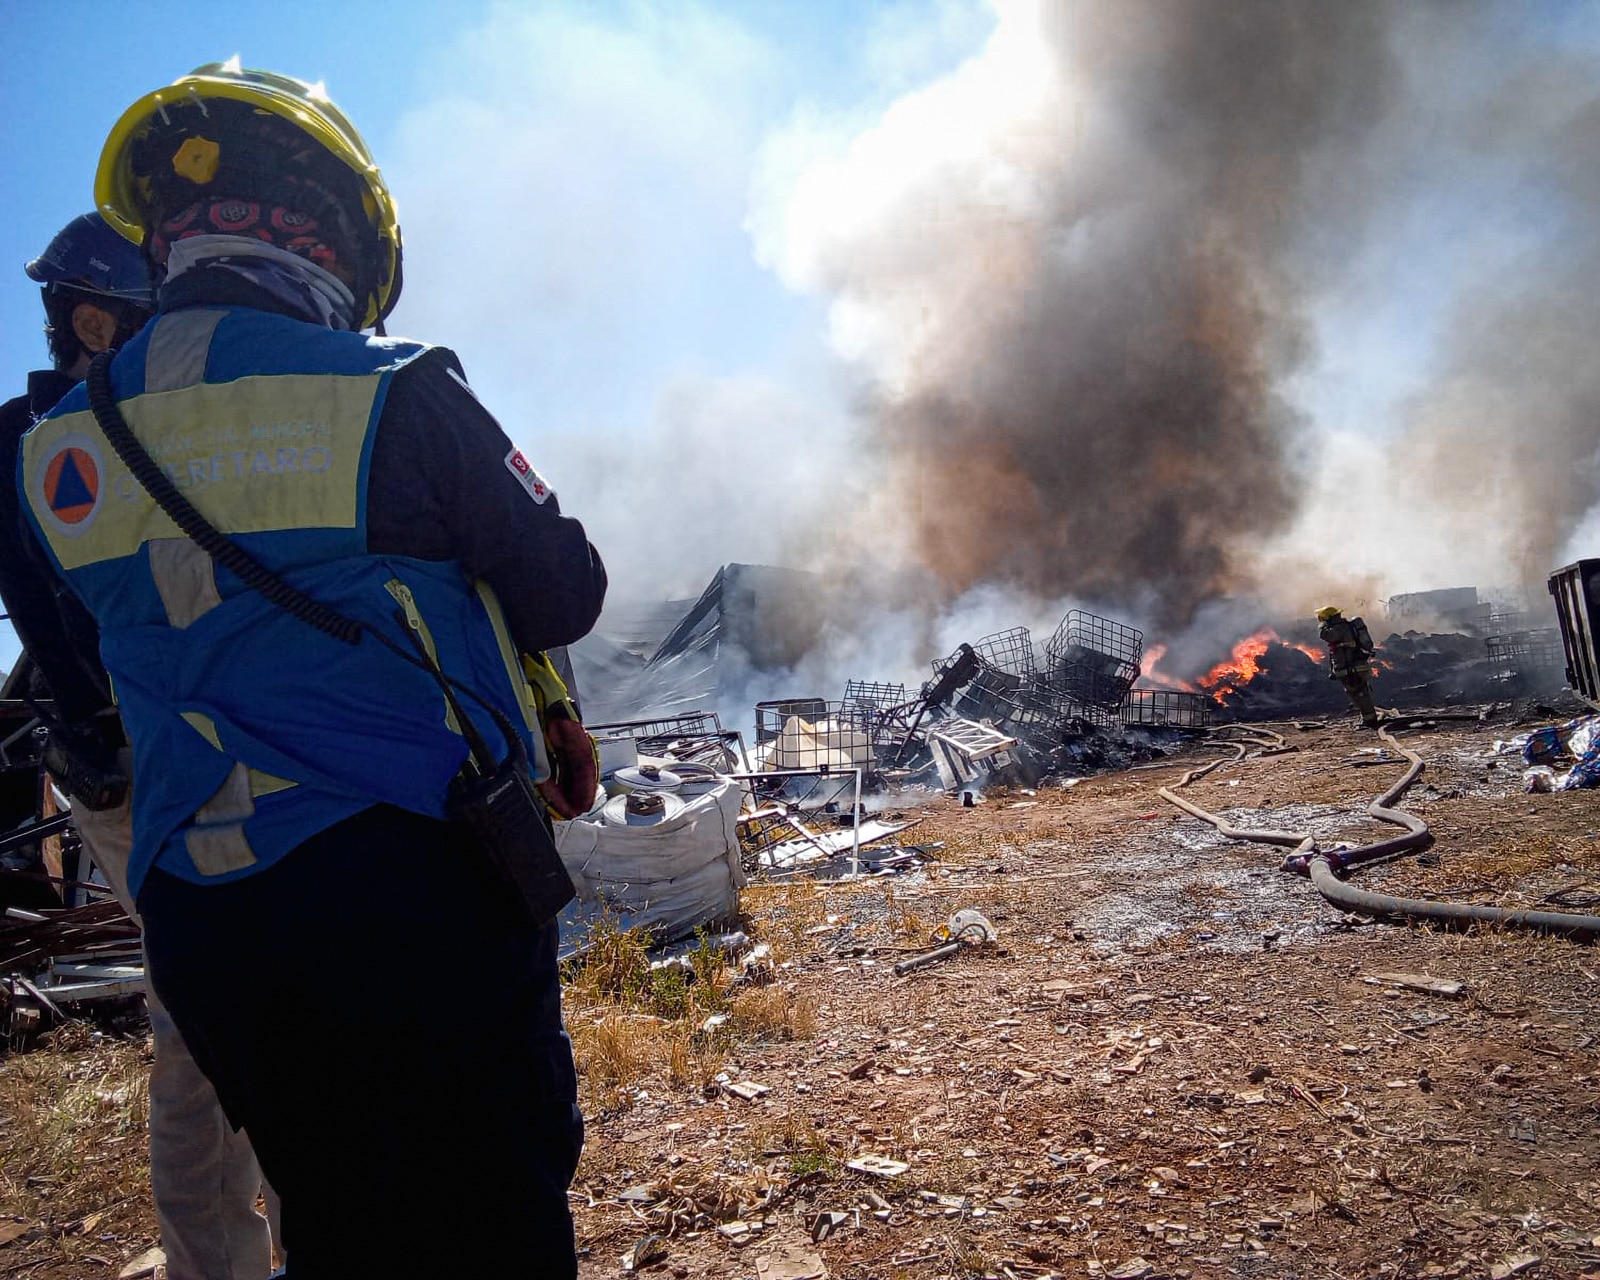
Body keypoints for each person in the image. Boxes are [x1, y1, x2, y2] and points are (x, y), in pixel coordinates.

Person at [18, 63, 606, 1277]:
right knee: (494, 1207)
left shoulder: (56, 454)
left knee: (333, 1208)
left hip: (201, 908)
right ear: (337, 235)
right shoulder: (397, 389)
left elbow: (88, 654)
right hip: (411, 879)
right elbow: (567, 589)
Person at [1, 211, 283, 1280]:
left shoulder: (94, 426)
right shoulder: (57, 439)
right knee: (206, 1021)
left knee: (255, 999)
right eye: (149, 316)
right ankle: (221, 1263)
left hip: (183, 751)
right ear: (91, 320)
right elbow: (96, 628)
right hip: (141, 765)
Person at [1316, 605, 1379, 728]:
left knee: (1359, 694)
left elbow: (1324, 635)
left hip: (1352, 668)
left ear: (1329, 618)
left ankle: (1370, 721)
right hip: (1355, 666)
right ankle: (1367, 718)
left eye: (1323, 618)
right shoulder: (1346, 626)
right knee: (1358, 693)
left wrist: (1322, 625)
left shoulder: (1338, 629)